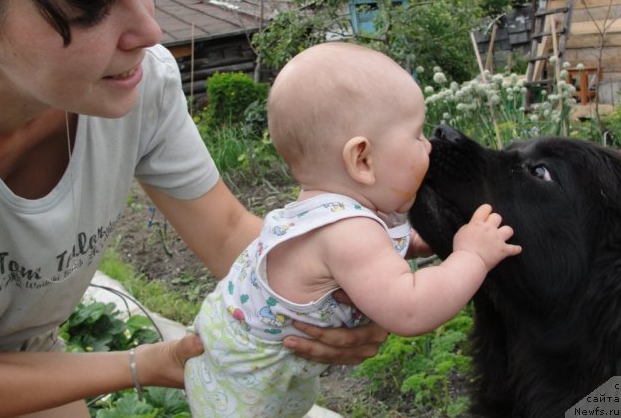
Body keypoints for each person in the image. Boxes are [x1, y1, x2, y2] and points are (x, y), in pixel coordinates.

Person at [0, 0, 387, 417]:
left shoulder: (142, 84)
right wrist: (143, 365)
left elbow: (226, 232)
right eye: (90, 8)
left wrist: (352, 283)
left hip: (29, 358)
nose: (150, 30)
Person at [184, 42, 523, 417]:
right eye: (417, 134)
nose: (428, 146)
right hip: (247, 397)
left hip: (231, 367)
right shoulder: (348, 232)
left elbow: (367, 255)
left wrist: (412, 243)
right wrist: (471, 255)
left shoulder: (320, 211)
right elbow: (410, 309)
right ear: (361, 159)